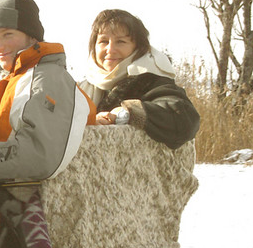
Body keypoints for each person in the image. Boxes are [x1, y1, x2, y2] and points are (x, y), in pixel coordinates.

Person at [0, 0, 94, 248]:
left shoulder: (46, 79)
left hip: (32, 206)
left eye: (7, 34)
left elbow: (38, 155)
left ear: (32, 36)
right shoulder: (22, 77)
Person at [77, 8, 200, 150]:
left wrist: (128, 112)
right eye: (103, 41)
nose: (110, 50)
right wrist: (92, 120)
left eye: (121, 42)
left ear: (138, 48)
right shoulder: (82, 89)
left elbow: (185, 120)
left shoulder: (152, 81)